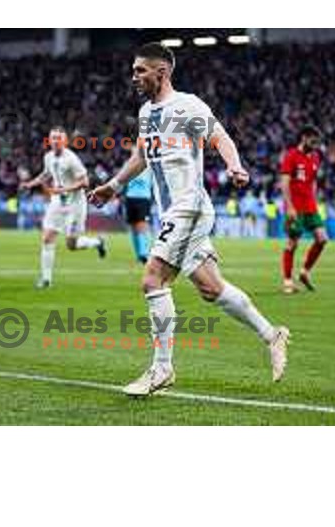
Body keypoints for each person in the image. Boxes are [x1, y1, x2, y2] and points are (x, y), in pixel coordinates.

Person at [89, 42, 289, 396]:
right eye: (134, 70)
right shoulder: (146, 113)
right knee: (211, 288)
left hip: (189, 206)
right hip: (171, 210)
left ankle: (162, 369)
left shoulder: (188, 105)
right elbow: (141, 155)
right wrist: (114, 185)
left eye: (140, 70)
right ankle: (272, 335)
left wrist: (235, 165)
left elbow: (219, 136)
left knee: (152, 280)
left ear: (161, 72)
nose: (134, 76)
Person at [21, 127, 106, 288]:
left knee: (71, 245)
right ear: (49, 140)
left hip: (75, 205)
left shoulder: (71, 159)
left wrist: (64, 189)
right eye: (53, 138)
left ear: (65, 141)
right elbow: (46, 174)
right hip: (57, 203)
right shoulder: (48, 157)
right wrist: (30, 184)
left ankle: (97, 242)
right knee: (47, 238)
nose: (55, 141)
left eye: (59, 138)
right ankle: (46, 280)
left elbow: (85, 182)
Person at [280, 125, 329, 294]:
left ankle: (304, 272)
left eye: (317, 141)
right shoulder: (291, 156)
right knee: (292, 242)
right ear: (304, 137)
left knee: (322, 239)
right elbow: (284, 182)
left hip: (310, 206)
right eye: (313, 140)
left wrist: (314, 199)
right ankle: (287, 281)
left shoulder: (315, 157)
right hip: (296, 207)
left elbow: (313, 181)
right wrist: (289, 207)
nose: (315, 144)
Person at [123, 148, 153, 264]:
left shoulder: (148, 163)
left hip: (143, 198)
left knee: (142, 226)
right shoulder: (128, 164)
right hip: (130, 197)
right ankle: (139, 254)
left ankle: (144, 254)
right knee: (133, 227)